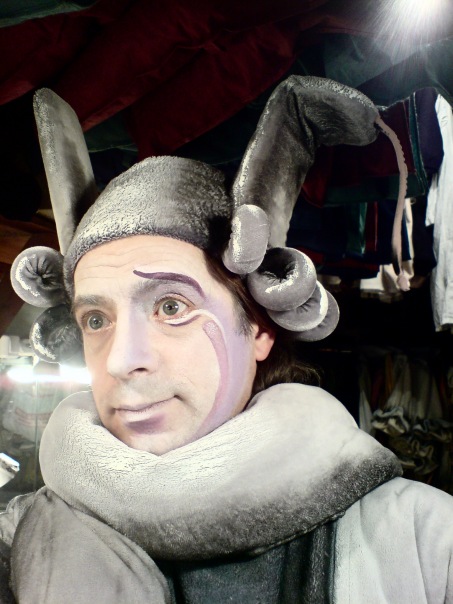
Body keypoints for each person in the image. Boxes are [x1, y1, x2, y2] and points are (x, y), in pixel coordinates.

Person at [2, 76, 453, 603]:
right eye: (97, 320)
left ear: (259, 328)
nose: (121, 361)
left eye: (172, 307)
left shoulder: (423, 543)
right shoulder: (18, 542)